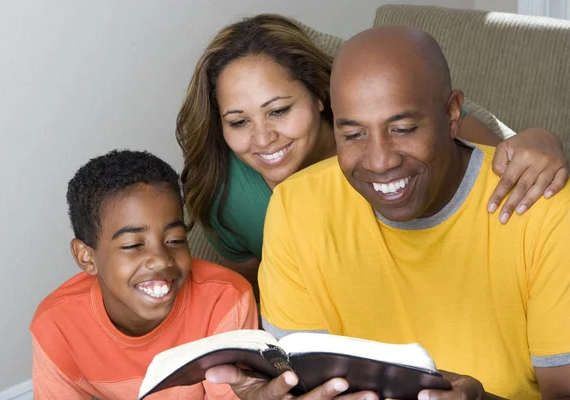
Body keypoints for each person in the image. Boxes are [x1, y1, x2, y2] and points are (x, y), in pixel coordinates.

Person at [205, 27, 570, 399]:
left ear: (452, 114)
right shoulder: (291, 207)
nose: (380, 161)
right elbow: (303, 381)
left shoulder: (540, 203)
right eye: (354, 134)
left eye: (403, 128)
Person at [176, 14, 568, 299]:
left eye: (278, 111)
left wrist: (541, 141)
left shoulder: (416, 130)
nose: (263, 138)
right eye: (238, 121)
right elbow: (253, 297)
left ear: (318, 96)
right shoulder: (221, 193)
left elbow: (498, 161)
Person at [30, 150, 257, 399]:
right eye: (132, 245)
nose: (160, 259)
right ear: (86, 256)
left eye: (175, 240)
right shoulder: (56, 326)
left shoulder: (224, 299)